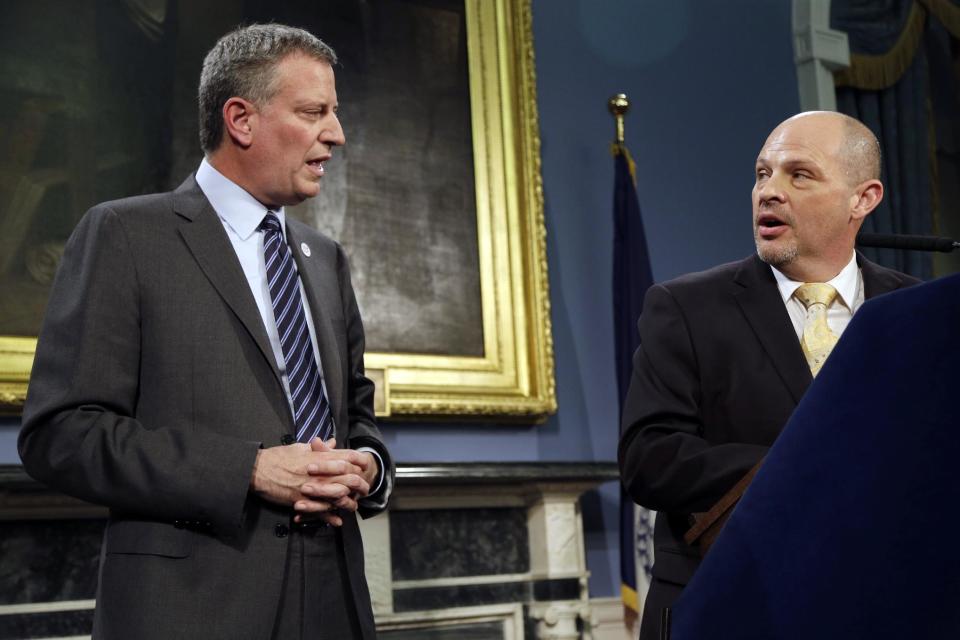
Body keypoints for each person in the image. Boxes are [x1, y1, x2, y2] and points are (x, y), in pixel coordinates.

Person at [18, 24, 393, 640]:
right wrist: (246, 469)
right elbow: (61, 435)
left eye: (335, 112)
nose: (336, 133)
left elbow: (357, 415)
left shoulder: (325, 258)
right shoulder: (125, 236)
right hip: (192, 610)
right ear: (241, 119)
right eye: (313, 112)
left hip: (335, 604)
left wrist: (369, 470)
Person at [618, 111, 919, 640]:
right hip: (733, 607)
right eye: (762, 173)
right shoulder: (686, 307)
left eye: (798, 174)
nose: (769, 191)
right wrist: (805, 470)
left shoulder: (914, 310)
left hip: (884, 605)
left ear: (863, 199)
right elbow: (649, 456)